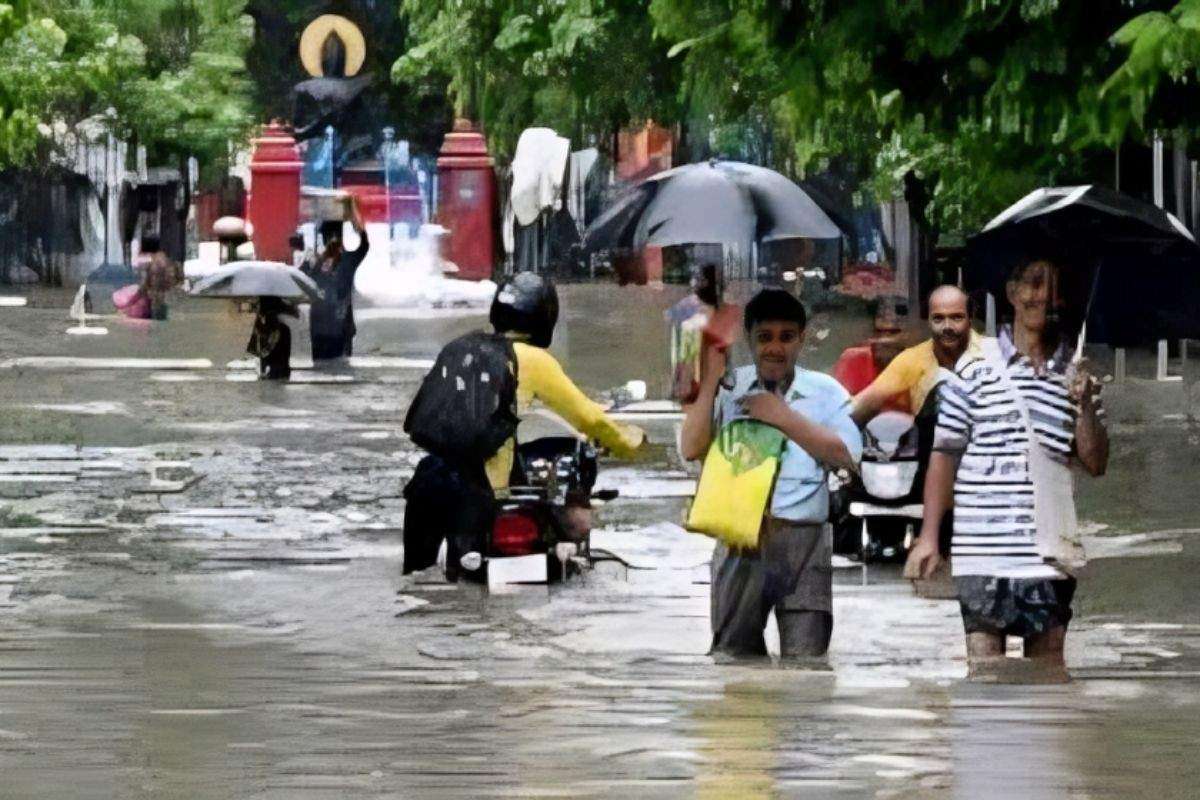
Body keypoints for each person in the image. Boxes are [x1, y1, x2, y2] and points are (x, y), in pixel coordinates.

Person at [908, 259, 1108, 679]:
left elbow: (1095, 462)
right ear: (1013, 292)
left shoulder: (1077, 377)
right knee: (983, 677)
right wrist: (928, 537)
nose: (1042, 297)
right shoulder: (974, 368)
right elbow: (945, 454)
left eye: (1052, 288)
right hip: (980, 553)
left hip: (1048, 556)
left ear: (1062, 300)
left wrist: (1085, 404)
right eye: (1033, 284)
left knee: (1050, 679)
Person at [680, 288, 862, 659]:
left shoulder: (826, 393)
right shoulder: (730, 389)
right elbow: (692, 448)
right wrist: (710, 380)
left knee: (807, 665)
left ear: (802, 339)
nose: (775, 348)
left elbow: (846, 457)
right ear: (749, 339)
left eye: (786, 337)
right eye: (764, 338)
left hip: (805, 542)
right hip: (739, 541)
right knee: (734, 662)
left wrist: (781, 416)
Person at [483, 272, 646, 489]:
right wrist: (630, 442)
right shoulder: (532, 359)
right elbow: (589, 419)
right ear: (545, 316)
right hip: (494, 484)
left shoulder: (468, 351)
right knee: (574, 513)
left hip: (449, 486)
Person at [850, 285, 981, 425]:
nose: (947, 326)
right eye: (938, 319)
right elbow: (862, 404)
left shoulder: (995, 355)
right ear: (928, 322)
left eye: (957, 318)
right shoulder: (912, 359)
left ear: (970, 320)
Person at [303, 198, 368, 360]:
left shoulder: (348, 261)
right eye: (329, 237)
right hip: (319, 330)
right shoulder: (314, 263)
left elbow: (364, 244)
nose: (332, 241)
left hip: (341, 330)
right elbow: (299, 282)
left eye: (335, 237)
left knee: (342, 368)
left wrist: (353, 211)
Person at [135, 234, 184, 321]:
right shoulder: (169, 261)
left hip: (156, 299)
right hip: (169, 297)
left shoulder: (152, 264)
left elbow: (145, 284)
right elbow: (179, 277)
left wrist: (136, 296)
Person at [246, 297, 296, 380]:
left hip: (275, 369)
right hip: (279, 370)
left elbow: (260, 351)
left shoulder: (263, 330)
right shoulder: (283, 329)